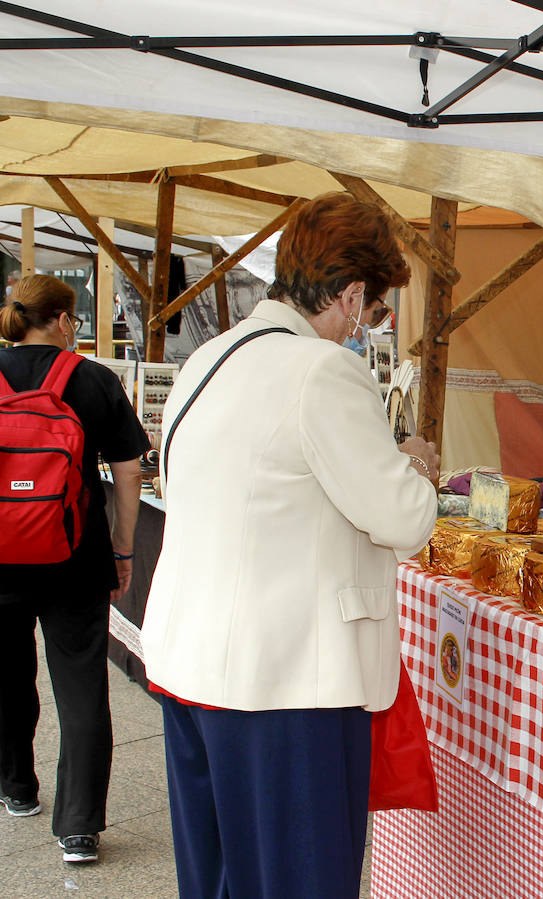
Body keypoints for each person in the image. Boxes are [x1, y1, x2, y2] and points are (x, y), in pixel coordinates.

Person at [139, 192, 439, 898]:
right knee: (298, 882)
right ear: (352, 294)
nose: (367, 326)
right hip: (284, 686)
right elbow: (405, 519)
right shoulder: (322, 372)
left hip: (195, 665)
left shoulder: (207, 361)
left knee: (215, 882)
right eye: (372, 311)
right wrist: (417, 463)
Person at [0, 275, 147, 864]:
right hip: (75, 557)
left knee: (7, 678)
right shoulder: (91, 380)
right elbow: (131, 471)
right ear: (62, 320)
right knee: (82, 687)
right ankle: (79, 827)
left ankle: (16, 789)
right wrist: (123, 545)